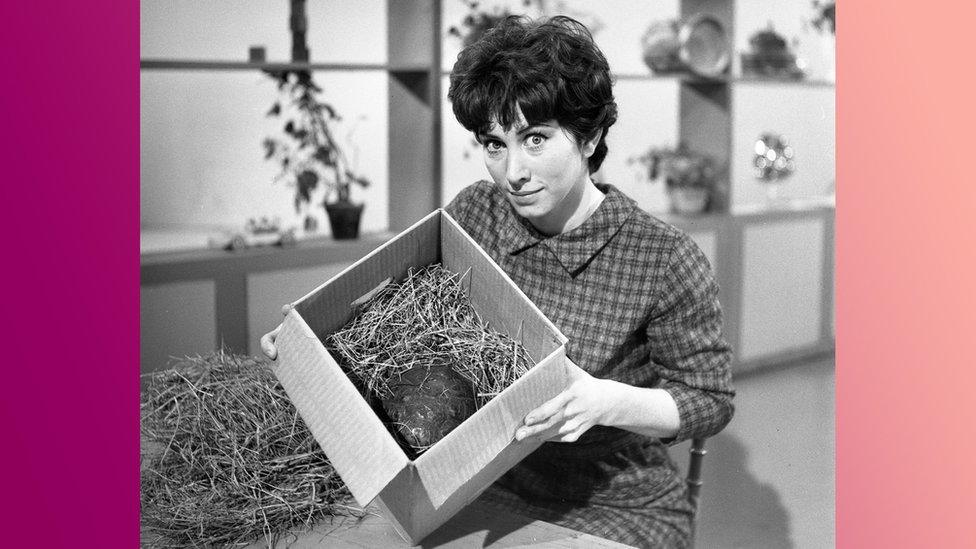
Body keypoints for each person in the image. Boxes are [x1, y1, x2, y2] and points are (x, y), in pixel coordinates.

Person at [262, 15, 733, 548]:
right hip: (473, 481)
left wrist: (605, 401)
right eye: (494, 144)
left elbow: (709, 400)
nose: (513, 172)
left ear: (591, 135)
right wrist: (310, 355)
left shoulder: (662, 257)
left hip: (612, 500)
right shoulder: (475, 215)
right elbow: (391, 329)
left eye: (535, 139)